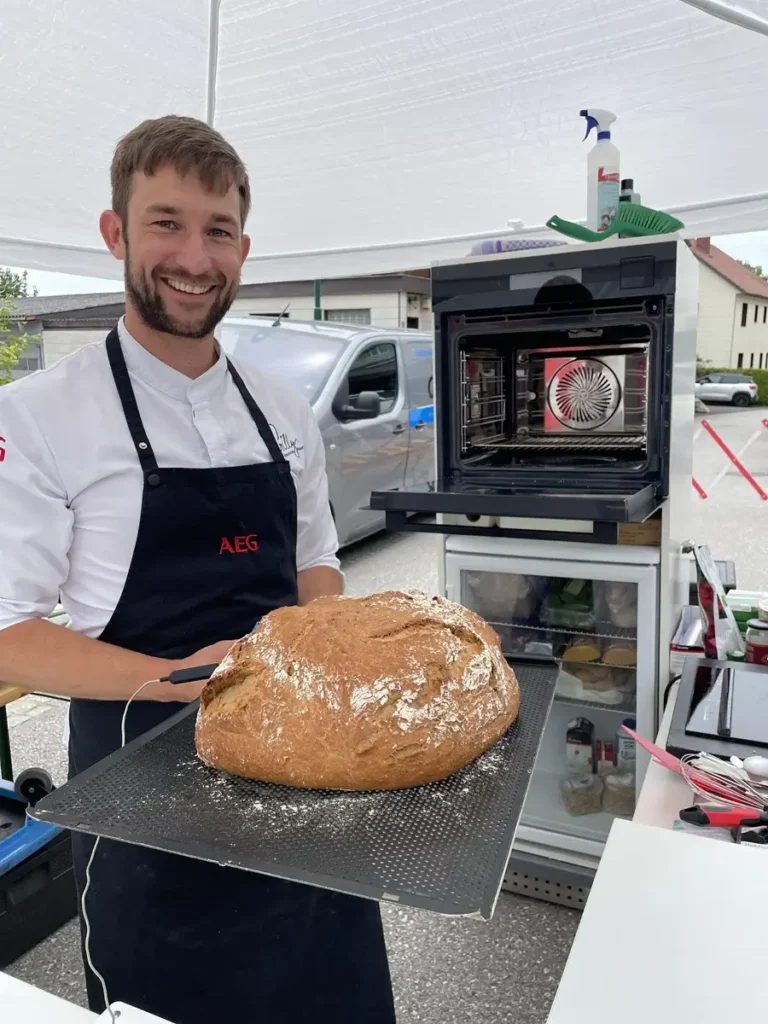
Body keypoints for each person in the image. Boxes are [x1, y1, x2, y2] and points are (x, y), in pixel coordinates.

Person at [0, 115, 396, 1024]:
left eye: (217, 230)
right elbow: (12, 635)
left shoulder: (284, 408)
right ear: (116, 233)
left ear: (244, 248)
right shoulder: (40, 416)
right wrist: (178, 681)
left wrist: (325, 647)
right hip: (138, 782)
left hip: (305, 773)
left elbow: (314, 560)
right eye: (166, 222)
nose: (194, 255)